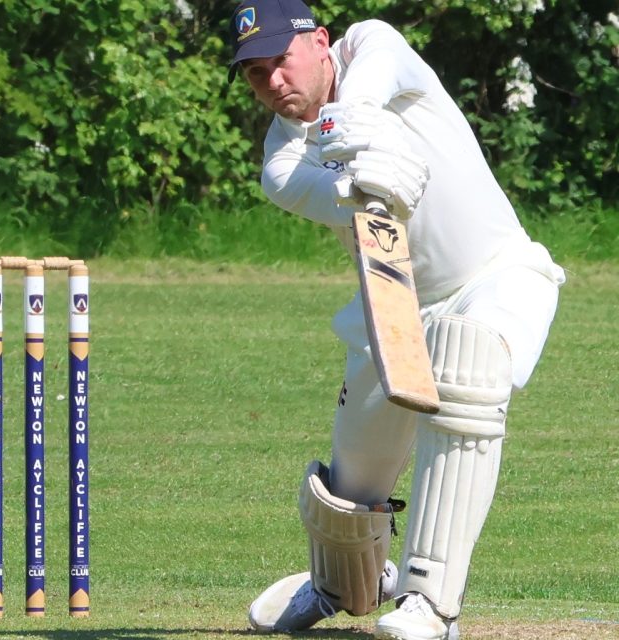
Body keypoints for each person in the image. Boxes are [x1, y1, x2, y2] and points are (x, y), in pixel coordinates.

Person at [224, 1, 564, 639]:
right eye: (255, 72)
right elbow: (343, 198)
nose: (272, 82)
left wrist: (361, 119)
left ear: (319, 42)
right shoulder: (281, 163)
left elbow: (380, 73)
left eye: (282, 60)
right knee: (350, 497)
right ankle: (344, 581)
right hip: (393, 307)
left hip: (493, 275)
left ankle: (430, 605)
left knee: (468, 367)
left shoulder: (372, 45)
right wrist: (361, 185)